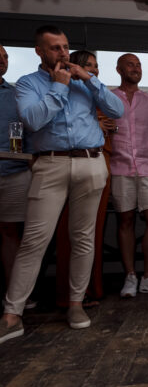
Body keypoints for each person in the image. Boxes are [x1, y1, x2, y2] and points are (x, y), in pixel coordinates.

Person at [1, 26, 123, 345]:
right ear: (39, 51)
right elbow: (32, 121)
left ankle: (76, 305)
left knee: (83, 238)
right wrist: (58, 87)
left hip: (91, 163)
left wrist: (90, 79)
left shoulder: (85, 81)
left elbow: (117, 110)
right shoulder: (27, 84)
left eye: (66, 47)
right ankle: (12, 314)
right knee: (34, 240)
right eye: (54, 48)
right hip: (50, 163)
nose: (63, 53)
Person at [109, 53, 148, 298]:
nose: (135, 68)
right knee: (125, 220)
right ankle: (130, 277)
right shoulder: (108, 99)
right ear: (118, 69)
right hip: (119, 167)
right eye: (130, 64)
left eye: (138, 65)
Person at [53, 50, 112, 309]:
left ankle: (92, 287)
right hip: (69, 164)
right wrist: (95, 124)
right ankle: (69, 293)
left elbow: (115, 114)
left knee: (92, 233)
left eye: (97, 66)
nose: (95, 70)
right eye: (89, 65)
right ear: (74, 67)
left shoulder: (97, 92)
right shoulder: (65, 92)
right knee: (70, 232)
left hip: (99, 162)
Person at [0, 43, 32, 309]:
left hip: (14, 172)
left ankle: (15, 296)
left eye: (5, 56)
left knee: (13, 233)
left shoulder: (15, 94)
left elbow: (28, 133)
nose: (3, 60)